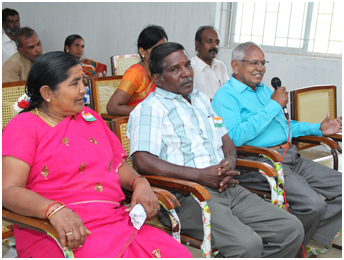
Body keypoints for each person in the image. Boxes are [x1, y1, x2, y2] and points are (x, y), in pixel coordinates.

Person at [2, 51, 192, 258]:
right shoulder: (24, 127)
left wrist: (140, 182)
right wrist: (54, 211)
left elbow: (117, 165)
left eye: (82, 81)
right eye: (74, 84)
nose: (83, 89)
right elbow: (8, 190)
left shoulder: (89, 117)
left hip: (115, 221)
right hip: (57, 230)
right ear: (47, 92)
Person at [127, 42, 304, 258]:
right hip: (187, 194)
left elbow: (225, 138)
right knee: (247, 245)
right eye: (175, 69)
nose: (186, 74)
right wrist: (200, 176)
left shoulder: (200, 99)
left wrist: (230, 160)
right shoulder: (149, 109)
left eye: (187, 66)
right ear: (157, 78)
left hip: (225, 185)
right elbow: (142, 161)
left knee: (291, 229)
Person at [211, 41, 342, 248]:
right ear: (235, 66)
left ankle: (305, 238)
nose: (260, 68)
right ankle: (292, 246)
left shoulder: (263, 90)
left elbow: (283, 125)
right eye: (254, 62)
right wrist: (273, 106)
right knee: (313, 204)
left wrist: (318, 128)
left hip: (291, 157)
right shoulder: (225, 96)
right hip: (262, 163)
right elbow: (234, 137)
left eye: (263, 63)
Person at [107, 25, 167, 116]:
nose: (162, 54)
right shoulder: (135, 73)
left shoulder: (163, 70)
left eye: (164, 49)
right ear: (142, 52)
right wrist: (148, 111)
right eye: (156, 50)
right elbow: (113, 107)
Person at [191, 26, 229, 99]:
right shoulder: (190, 68)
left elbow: (227, 92)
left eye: (217, 42)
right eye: (209, 41)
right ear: (197, 45)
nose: (215, 46)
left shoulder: (221, 66)